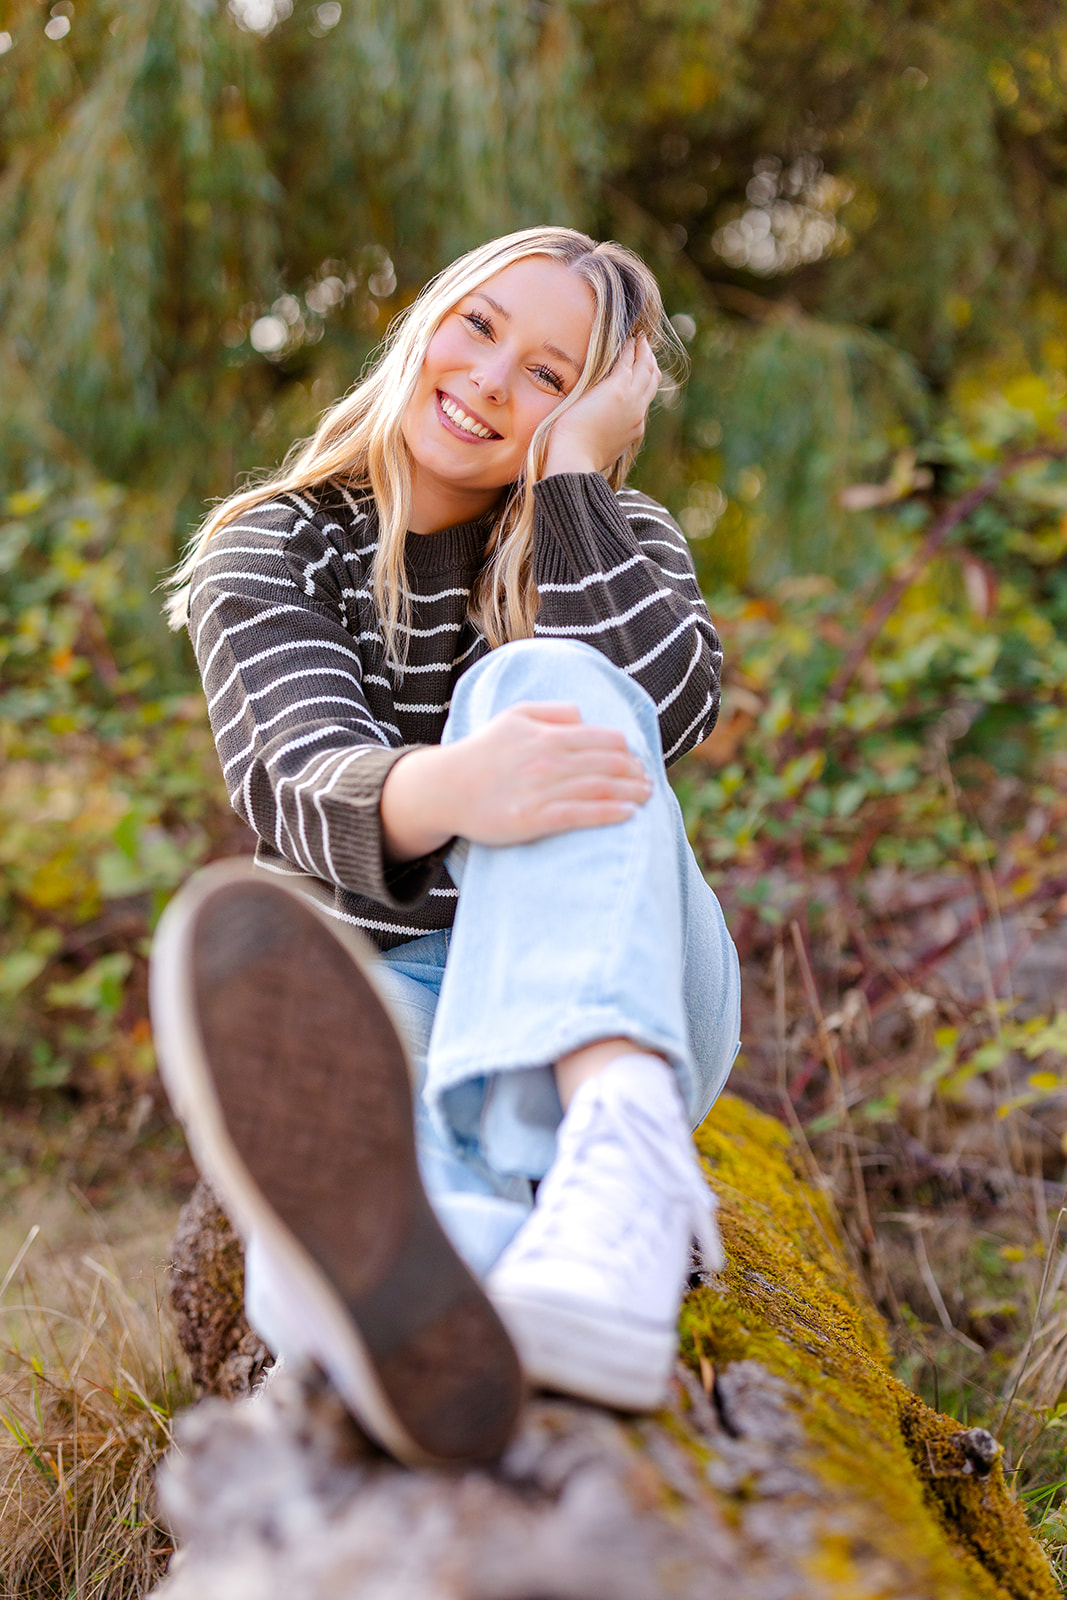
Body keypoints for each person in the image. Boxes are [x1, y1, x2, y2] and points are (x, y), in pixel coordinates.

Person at [151, 226, 741, 1470]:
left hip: (627, 995)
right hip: (394, 981)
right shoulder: (273, 547)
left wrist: (572, 483)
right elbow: (293, 780)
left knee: (546, 679)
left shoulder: (616, 532)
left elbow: (669, 715)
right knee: (349, 1123)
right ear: (427, 316)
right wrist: (462, 787)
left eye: (549, 374)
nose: (488, 379)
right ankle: (458, 1309)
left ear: (593, 411)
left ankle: (625, 1157)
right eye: (479, 326)